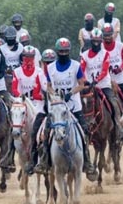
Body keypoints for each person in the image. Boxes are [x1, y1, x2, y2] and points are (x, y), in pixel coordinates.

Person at [41, 38, 96, 175]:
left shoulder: (76, 66)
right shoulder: (50, 67)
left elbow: (82, 84)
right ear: (57, 52)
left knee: (85, 131)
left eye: (66, 51)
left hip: (74, 106)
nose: (64, 53)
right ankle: (44, 160)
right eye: (61, 51)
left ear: (69, 51)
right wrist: (55, 96)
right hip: (57, 108)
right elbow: (48, 86)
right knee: (46, 132)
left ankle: (87, 161)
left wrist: (70, 93)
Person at [80, 28, 123, 137]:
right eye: (94, 41)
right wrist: (85, 81)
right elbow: (82, 69)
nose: (96, 43)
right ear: (91, 41)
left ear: (101, 41)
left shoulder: (105, 54)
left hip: (103, 85)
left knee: (114, 103)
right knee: (79, 104)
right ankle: (80, 128)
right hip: (89, 87)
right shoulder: (84, 55)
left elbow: (104, 71)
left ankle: (118, 127)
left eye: (98, 41)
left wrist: (96, 80)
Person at [12, 45, 47, 174]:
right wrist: (20, 97)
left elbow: (40, 89)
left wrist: (41, 95)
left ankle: (42, 152)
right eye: (26, 57)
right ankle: (9, 156)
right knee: (14, 125)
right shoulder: (17, 72)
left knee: (42, 123)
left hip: (36, 104)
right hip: (21, 102)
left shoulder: (39, 71)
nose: (28, 59)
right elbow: (15, 87)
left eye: (31, 57)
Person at [101, 24, 123, 104]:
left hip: (121, 78)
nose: (107, 37)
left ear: (112, 34)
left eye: (109, 35)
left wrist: (120, 69)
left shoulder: (120, 46)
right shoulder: (100, 48)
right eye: (105, 35)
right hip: (108, 80)